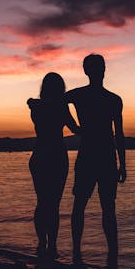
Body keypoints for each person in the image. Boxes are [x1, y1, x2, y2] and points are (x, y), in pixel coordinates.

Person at [65, 54, 126, 262]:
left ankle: (79, 253)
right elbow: (119, 134)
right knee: (101, 206)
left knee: (90, 205)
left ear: (86, 71)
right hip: (102, 156)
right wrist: (74, 127)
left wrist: (74, 127)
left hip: (97, 156)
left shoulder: (90, 96)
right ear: (101, 70)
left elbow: (119, 134)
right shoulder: (112, 99)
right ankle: (110, 255)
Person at [27, 72, 81, 258]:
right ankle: (52, 246)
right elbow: (76, 129)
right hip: (56, 156)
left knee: (42, 202)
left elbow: (35, 104)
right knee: (53, 204)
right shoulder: (60, 106)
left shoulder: (36, 106)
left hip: (40, 155)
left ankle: (43, 245)